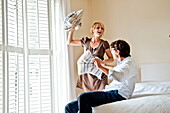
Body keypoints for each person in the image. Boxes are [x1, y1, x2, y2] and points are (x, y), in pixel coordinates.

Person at [65, 39, 138, 113]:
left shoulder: (129, 63)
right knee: (69, 107)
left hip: (119, 94)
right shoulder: (123, 63)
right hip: (111, 91)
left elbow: (119, 76)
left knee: (83, 97)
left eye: (112, 51)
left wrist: (100, 67)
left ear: (118, 52)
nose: (111, 53)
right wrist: (103, 65)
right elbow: (115, 69)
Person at [68, 22, 113, 92]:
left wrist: (102, 62)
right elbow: (70, 42)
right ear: (92, 30)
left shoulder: (104, 43)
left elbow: (111, 59)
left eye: (102, 28)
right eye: (98, 27)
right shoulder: (86, 41)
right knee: (90, 98)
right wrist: (72, 30)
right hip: (88, 75)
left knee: (101, 97)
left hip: (99, 74)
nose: (100, 29)